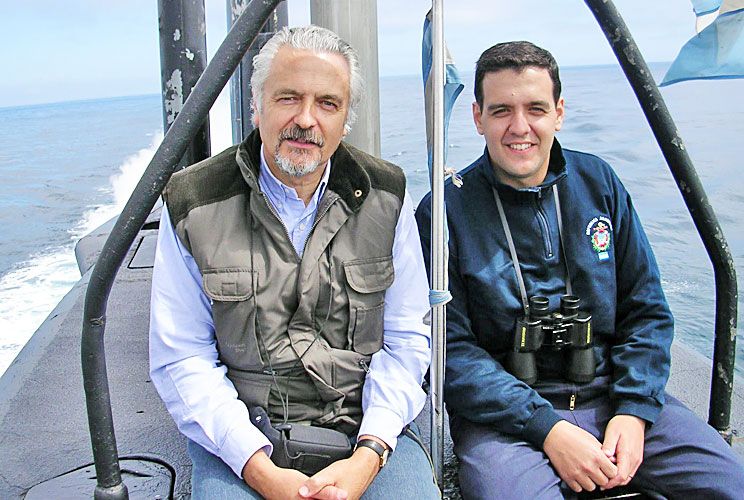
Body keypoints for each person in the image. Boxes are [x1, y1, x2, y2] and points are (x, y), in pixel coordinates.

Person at [416, 41, 744, 499]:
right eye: (500, 111)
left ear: (559, 112)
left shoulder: (599, 183)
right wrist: (547, 428)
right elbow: (450, 352)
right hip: (506, 420)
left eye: (535, 108)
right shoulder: (443, 211)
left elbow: (646, 310)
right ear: (477, 117)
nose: (519, 127)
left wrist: (634, 408)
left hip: (613, 392)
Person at [150, 25, 439, 500]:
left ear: (345, 119)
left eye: (328, 103)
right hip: (243, 437)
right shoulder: (192, 200)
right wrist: (257, 466)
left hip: (361, 428)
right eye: (288, 98)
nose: (307, 119)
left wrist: (370, 453)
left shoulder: (387, 197)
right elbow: (182, 356)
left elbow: (407, 341)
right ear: (256, 105)